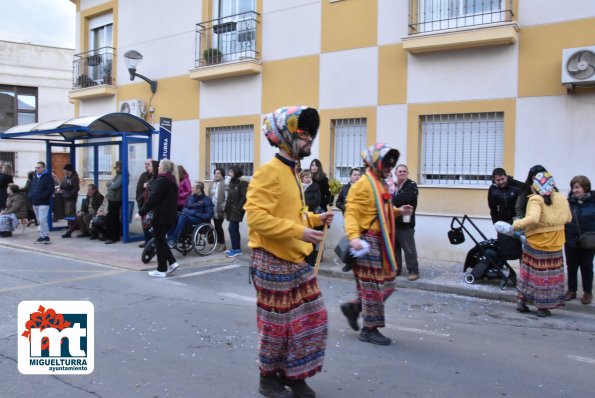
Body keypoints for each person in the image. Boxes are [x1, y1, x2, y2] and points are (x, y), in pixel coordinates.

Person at [245, 106, 333, 398]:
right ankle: (267, 379)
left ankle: (295, 374)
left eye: (310, 135)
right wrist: (299, 232)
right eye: (304, 134)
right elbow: (256, 219)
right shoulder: (268, 172)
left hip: (295, 260)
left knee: (312, 318)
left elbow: (294, 214)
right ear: (286, 136)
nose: (310, 141)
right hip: (271, 262)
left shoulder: (293, 171)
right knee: (277, 327)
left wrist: (315, 220)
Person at [341, 143, 412, 345]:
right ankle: (369, 329)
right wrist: (354, 237)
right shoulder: (363, 184)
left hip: (381, 241)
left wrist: (398, 211)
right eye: (386, 162)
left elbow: (380, 210)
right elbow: (352, 212)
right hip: (367, 242)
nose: (390, 166)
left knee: (386, 284)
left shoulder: (379, 183)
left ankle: (354, 308)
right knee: (373, 287)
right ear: (375, 163)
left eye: (392, 163)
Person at [512, 172, 572, 317]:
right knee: (549, 278)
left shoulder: (536, 199)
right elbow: (569, 219)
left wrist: (516, 224)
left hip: (536, 243)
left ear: (535, 187)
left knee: (529, 274)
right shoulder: (561, 198)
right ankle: (543, 307)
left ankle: (522, 301)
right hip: (556, 243)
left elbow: (533, 218)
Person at [136, 159, 179, 278]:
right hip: (168, 215)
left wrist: (140, 212)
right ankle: (172, 262)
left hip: (161, 216)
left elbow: (153, 199)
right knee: (160, 240)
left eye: (159, 165)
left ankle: (161, 269)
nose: (157, 167)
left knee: (159, 243)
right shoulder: (171, 179)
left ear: (164, 168)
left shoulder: (162, 181)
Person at [564, 175, 595, 305]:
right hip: (570, 239)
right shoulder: (568, 202)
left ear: (585, 187)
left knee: (586, 266)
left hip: (588, 240)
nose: (575, 190)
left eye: (578, 187)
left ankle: (587, 292)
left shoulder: (593, 202)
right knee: (571, 266)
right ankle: (572, 290)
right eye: (573, 187)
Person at [393, 164, 420, 281]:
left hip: (406, 223)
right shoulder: (393, 186)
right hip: (393, 222)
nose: (402, 173)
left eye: (404, 171)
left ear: (407, 173)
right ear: (396, 173)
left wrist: (390, 200)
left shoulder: (412, 185)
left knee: (409, 249)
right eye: (400, 172)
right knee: (394, 249)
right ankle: (396, 269)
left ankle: (413, 271)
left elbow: (405, 198)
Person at [168, 181, 214, 246]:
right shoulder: (190, 197)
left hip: (198, 219)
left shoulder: (207, 200)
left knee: (183, 217)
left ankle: (173, 239)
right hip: (188, 217)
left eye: (193, 188)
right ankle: (169, 237)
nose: (191, 189)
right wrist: (189, 212)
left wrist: (195, 213)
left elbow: (209, 215)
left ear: (198, 189)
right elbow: (184, 209)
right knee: (173, 216)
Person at [28, 161, 55, 244]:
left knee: (42, 219)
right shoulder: (35, 177)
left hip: (43, 202)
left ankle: (46, 236)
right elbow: (32, 187)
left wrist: (42, 196)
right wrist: (30, 195)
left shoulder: (47, 177)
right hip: (35, 202)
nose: (37, 169)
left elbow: (50, 190)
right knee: (39, 220)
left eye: (39, 167)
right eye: (36, 168)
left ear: (43, 168)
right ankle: (41, 236)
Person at [224, 165, 248, 258]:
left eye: (231, 172)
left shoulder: (242, 183)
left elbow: (244, 196)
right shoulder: (232, 182)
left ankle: (236, 249)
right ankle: (236, 248)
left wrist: (239, 208)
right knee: (234, 229)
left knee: (232, 228)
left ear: (236, 172)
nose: (229, 174)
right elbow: (230, 195)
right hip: (231, 209)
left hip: (237, 209)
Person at [139, 160, 160, 247]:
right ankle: (148, 242)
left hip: (152, 207)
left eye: (150, 165)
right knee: (146, 224)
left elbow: (154, 195)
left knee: (150, 226)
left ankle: (151, 243)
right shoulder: (149, 176)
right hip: (145, 203)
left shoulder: (158, 179)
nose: (148, 167)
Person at [207, 168, 227, 251]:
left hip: (220, 209)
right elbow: (210, 195)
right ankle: (217, 242)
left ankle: (222, 244)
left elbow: (226, 197)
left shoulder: (225, 183)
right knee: (214, 226)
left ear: (222, 174)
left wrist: (223, 206)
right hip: (212, 207)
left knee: (218, 226)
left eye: (218, 173)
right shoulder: (212, 183)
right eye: (215, 173)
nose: (216, 174)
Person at [104, 161, 124, 244]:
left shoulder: (123, 176)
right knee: (113, 218)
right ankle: (114, 236)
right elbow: (107, 183)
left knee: (112, 218)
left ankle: (113, 237)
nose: (115, 168)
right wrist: (111, 183)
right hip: (112, 199)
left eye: (116, 167)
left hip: (116, 200)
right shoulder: (117, 175)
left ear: (120, 167)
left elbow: (114, 186)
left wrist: (111, 183)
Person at [59, 164, 81, 238]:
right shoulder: (66, 177)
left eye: (64, 170)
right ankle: (72, 226)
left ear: (68, 170)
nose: (64, 171)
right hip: (66, 197)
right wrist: (61, 188)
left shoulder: (74, 177)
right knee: (67, 213)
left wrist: (69, 195)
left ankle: (71, 227)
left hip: (71, 198)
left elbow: (76, 188)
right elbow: (63, 184)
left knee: (70, 212)